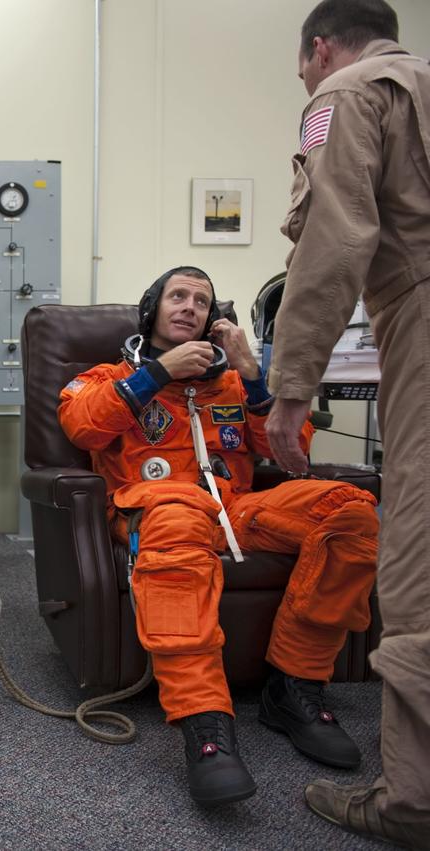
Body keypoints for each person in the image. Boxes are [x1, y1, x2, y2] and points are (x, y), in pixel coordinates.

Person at [59, 267, 379, 807]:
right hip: (157, 507)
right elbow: (83, 426)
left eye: (202, 300)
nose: (190, 306)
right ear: (151, 309)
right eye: (178, 296)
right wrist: (157, 374)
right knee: (178, 515)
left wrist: (252, 375)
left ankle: (295, 686)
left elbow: (290, 453)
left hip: (235, 508)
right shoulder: (108, 377)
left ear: (213, 320)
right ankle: (204, 720)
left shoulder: (233, 384)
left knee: (349, 512)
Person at [264, 0, 430, 843]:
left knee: (415, 567)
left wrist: (291, 385)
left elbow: (334, 237)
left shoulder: (349, 92)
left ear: (321, 48)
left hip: (418, 318)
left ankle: (411, 802)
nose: (306, 79)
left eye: (303, 67)